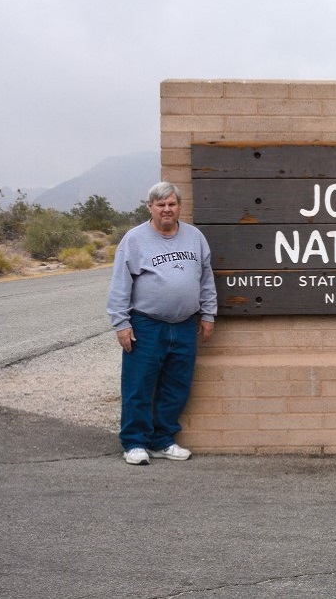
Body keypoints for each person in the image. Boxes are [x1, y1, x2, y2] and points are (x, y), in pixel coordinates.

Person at [107, 181, 217, 465]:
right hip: (146, 325)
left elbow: (206, 278)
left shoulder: (195, 237)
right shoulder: (134, 239)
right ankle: (134, 443)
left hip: (184, 325)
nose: (167, 209)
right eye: (161, 205)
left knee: (175, 387)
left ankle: (162, 441)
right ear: (150, 207)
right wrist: (121, 323)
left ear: (179, 206)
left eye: (171, 204)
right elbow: (120, 285)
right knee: (139, 385)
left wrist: (208, 314)